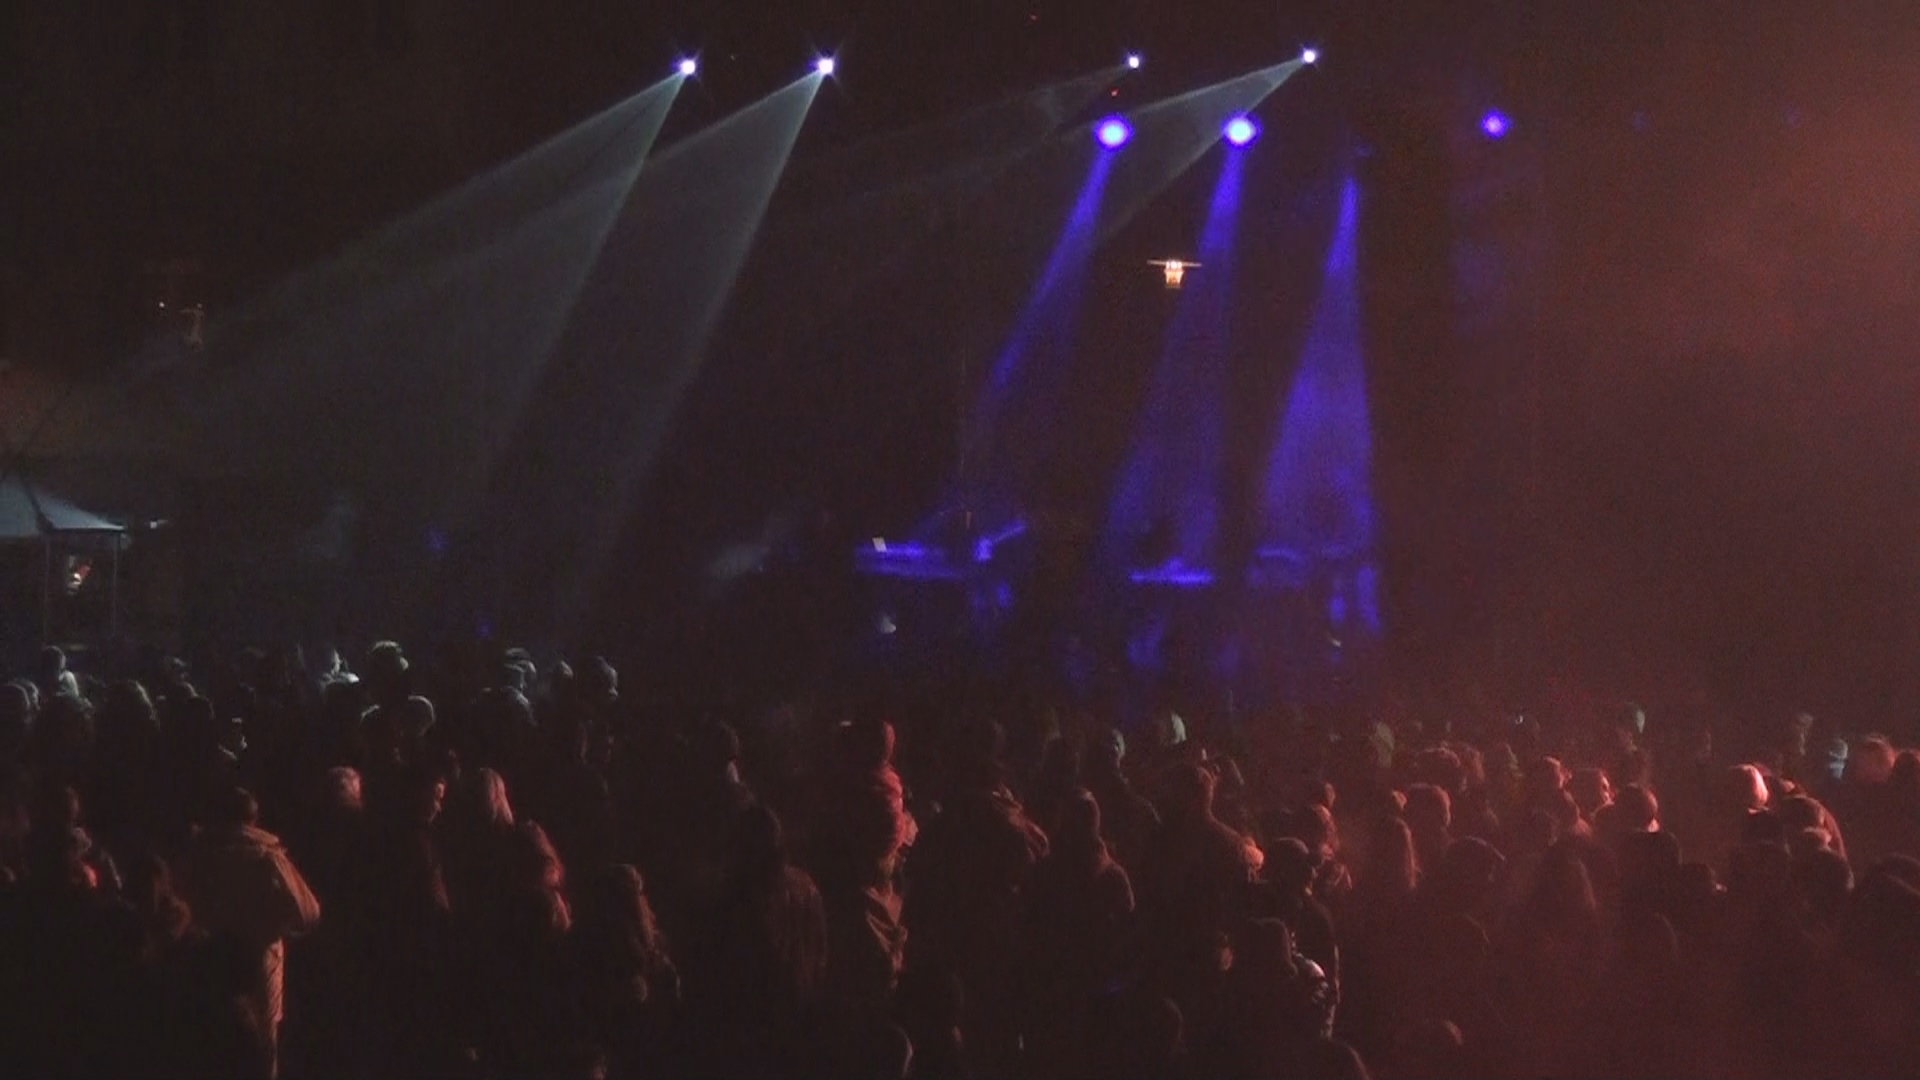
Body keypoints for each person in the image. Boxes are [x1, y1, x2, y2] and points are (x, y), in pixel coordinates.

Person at [175, 786, 322, 1077]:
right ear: (253, 819)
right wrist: (279, 926)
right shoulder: (267, 859)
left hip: (206, 964)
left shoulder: (197, 854)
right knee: (260, 1048)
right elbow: (308, 912)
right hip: (259, 966)